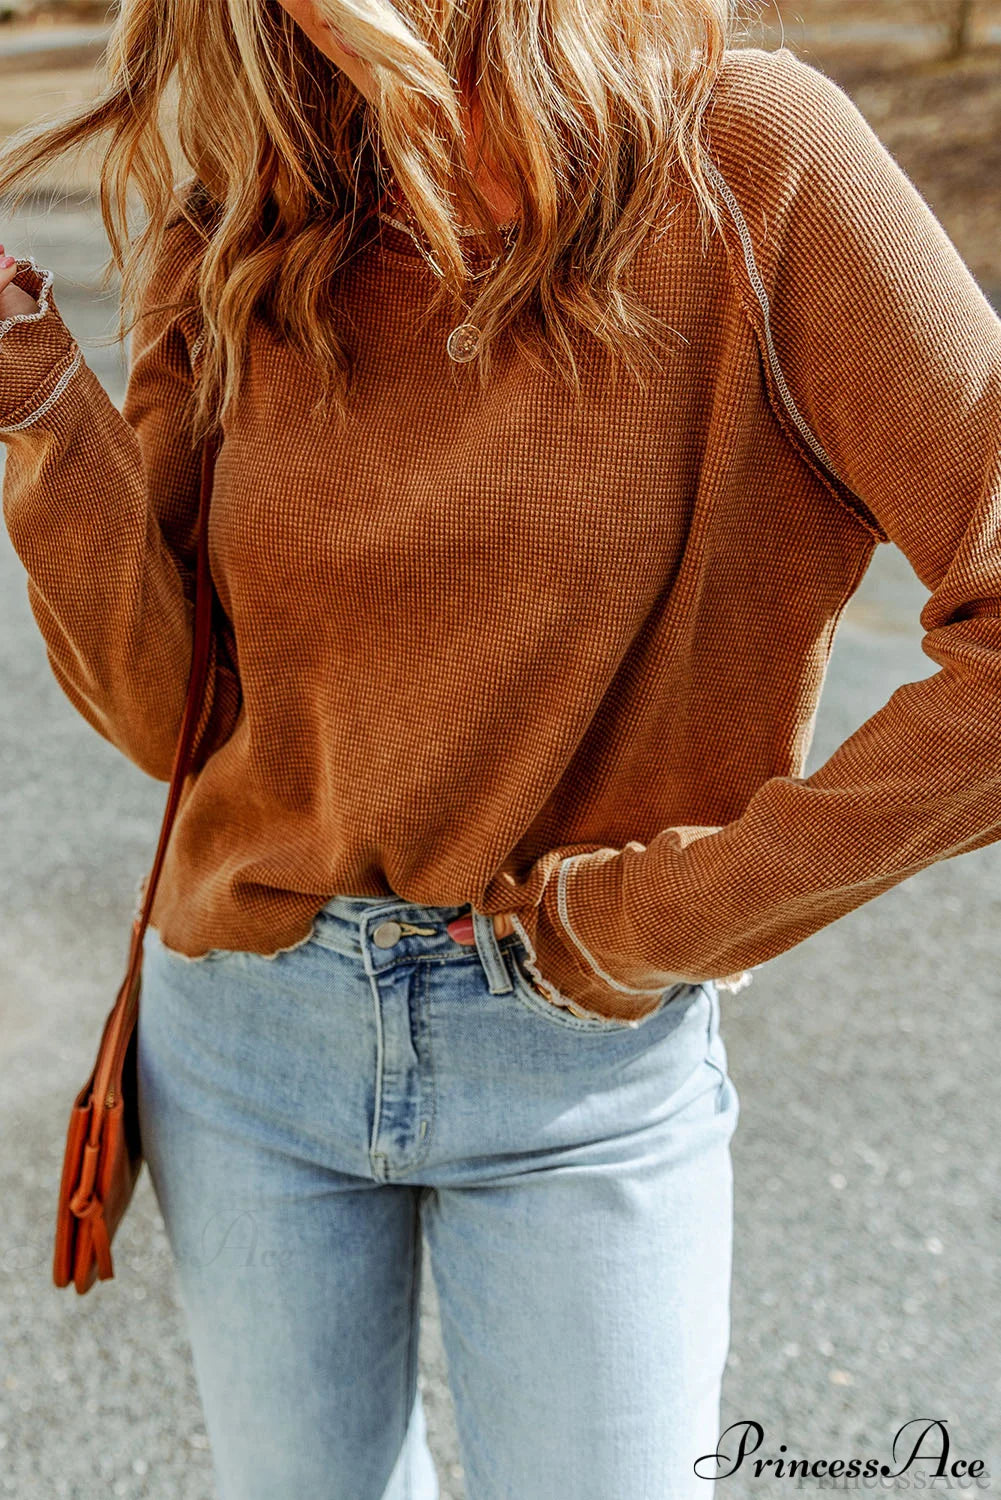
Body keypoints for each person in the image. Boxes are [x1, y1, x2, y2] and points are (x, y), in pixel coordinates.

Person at [2, 0, 1000, 1493]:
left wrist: (654, 921)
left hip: (578, 1065)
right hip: (243, 1044)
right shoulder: (248, 204)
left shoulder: (747, 156)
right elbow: (165, 714)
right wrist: (32, 389)